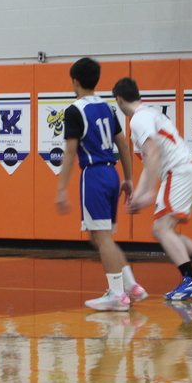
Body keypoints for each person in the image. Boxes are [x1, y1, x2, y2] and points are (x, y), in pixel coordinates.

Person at [111, 77, 192, 301]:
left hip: (179, 172)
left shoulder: (138, 120)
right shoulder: (151, 114)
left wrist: (150, 193)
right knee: (164, 229)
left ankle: (190, 279)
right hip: (189, 171)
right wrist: (139, 195)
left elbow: (153, 155)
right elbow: (150, 163)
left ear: (119, 99)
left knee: (161, 228)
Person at [54, 58, 142, 312]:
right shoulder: (107, 107)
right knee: (100, 236)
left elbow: (70, 151)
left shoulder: (74, 110)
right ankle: (130, 286)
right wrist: (128, 178)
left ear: (75, 81)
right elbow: (123, 145)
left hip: (93, 175)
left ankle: (116, 294)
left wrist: (61, 189)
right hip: (112, 174)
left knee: (101, 237)